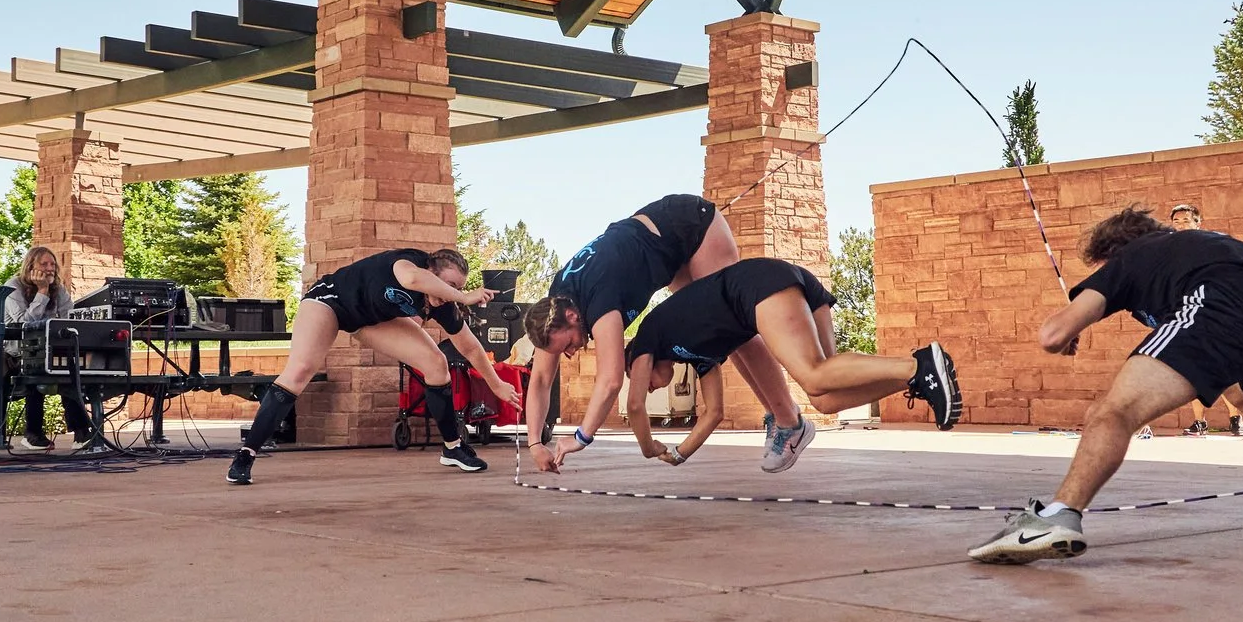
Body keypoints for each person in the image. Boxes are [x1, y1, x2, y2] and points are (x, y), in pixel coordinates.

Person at [970, 205, 1243, 564]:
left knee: (1114, 412)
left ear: (1109, 253)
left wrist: (1070, 326)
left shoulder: (1128, 258)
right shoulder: (1205, 245)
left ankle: (1058, 514)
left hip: (1217, 306)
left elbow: (1051, 335)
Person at [523, 195, 810, 477]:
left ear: (572, 317)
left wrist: (581, 437)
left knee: (735, 325)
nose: (570, 353)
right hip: (666, 251)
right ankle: (778, 416)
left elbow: (610, 380)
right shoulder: (554, 309)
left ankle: (790, 421)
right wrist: (535, 443)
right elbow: (541, 379)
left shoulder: (598, 300)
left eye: (569, 344)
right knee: (721, 335)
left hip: (691, 227)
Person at [617, 259, 962, 467]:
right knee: (825, 398)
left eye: (641, 378)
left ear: (639, 359)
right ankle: (918, 377)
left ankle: (917, 365)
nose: (648, 388)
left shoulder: (649, 335)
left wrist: (648, 448)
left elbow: (634, 406)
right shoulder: (698, 355)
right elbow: (714, 412)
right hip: (788, 285)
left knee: (812, 376)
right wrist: (679, 453)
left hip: (760, 286)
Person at [227, 247, 519, 484]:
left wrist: (496, 385)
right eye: (449, 285)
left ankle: (453, 448)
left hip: (369, 320)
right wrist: (462, 295)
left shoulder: (441, 304)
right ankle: (246, 454)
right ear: (431, 271)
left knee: (436, 364)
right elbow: (412, 280)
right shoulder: (408, 263)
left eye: (458, 287)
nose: (450, 292)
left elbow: (470, 347)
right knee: (300, 370)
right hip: (330, 302)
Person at [4, 245, 86, 450]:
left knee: (71, 370)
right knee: (34, 370)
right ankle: (33, 433)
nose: (50, 268)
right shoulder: (13, 287)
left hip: (49, 352)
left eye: (52, 264)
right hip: (16, 354)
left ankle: (81, 433)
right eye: (44, 264)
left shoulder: (59, 289)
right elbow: (24, 324)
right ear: (30, 266)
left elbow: (69, 318)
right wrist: (42, 292)